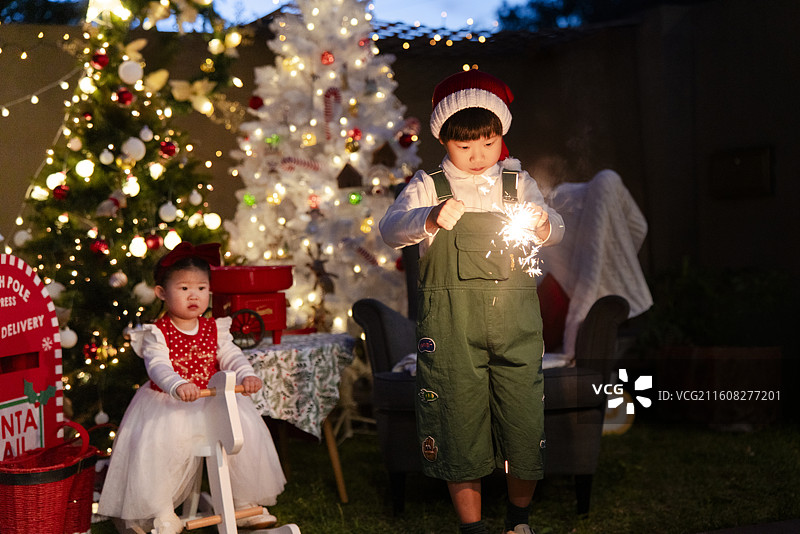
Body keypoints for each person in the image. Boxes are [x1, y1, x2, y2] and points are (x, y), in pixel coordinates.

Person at [379, 70, 565, 534]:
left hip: (517, 326)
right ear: (444, 139)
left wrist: (543, 223)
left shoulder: (516, 183)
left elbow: (556, 231)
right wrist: (429, 216)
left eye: (488, 143)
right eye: (465, 147)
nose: (478, 156)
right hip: (450, 331)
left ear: (501, 136)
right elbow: (389, 229)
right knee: (456, 422)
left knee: (523, 422)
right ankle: (473, 528)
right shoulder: (430, 184)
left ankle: (519, 521)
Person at [98, 242, 287, 534]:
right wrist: (177, 384)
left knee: (244, 436)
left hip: (212, 402)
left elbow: (231, 355)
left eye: (201, 288)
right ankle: (160, 510)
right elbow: (158, 365)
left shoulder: (215, 328)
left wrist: (245, 374)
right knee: (161, 447)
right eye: (184, 288)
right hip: (169, 405)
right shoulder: (156, 333)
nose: (194, 295)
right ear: (162, 292)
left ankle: (242, 502)